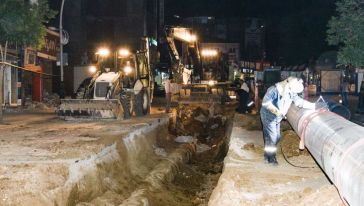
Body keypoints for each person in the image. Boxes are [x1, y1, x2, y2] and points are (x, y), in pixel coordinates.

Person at [260, 77, 316, 165]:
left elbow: (298, 101)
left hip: (277, 118)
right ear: (289, 86)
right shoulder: (274, 90)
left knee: (275, 137)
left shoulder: (291, 91)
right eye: (293, 91)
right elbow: (265, 103)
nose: (293, 93)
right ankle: (271, 158)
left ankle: (267, 156)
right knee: (273, 137)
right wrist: (278, 112)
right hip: (268, 116)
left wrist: (314, 106)